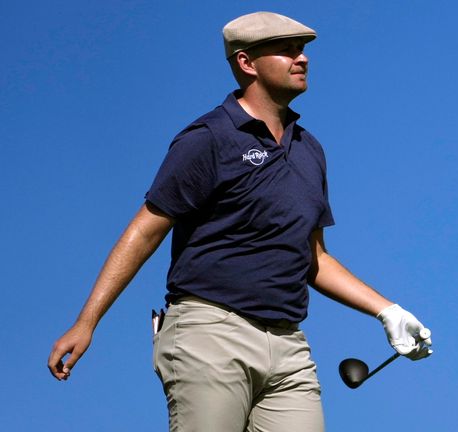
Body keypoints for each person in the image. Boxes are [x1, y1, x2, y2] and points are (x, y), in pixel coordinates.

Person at [47, 11, 432, 432]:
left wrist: (387, 310)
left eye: (302, 50)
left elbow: (313, 257)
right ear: (247, 63)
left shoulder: (310, 150)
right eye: (286, 50)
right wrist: (87, 322)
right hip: (210, 332)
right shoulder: (209, 138)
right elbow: (145, 230)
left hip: (289, 347)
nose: (301, 59)